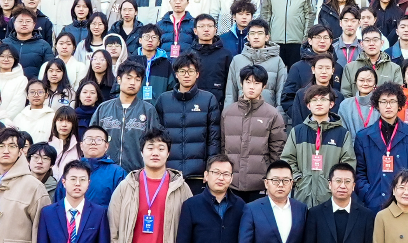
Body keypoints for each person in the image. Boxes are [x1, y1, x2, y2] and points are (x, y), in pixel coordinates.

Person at [153, 53, 223, 193]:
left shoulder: (208, 99)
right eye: (182, 71)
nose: (186, 75)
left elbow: (214, 140)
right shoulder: (163, 100)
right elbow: (157, 137)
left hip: (198, 175)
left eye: (191, 71)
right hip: (169, 172)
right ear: (176, 74)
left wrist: (210, 169)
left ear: (197, 74)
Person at [353, 84, 408, 209]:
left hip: (406, 202)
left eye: (392, 101)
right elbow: (359, 172)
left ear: (399, 104)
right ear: (377, 105)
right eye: (383, 101)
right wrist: (367, 194)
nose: (388, 106)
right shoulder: (363, 136)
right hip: (374, 203)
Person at [283, 84, 357, 208]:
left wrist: (333, 182)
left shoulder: (342, 133)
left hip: (330, 196)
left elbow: (348, 164)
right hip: (302, 194)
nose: (319, 103)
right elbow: (287, 159)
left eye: (323, 99)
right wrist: (299, 179)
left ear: (331, 104)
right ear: (308, 105)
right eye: (314, 100)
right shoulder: (297, 132)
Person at [221, 65, 287, 197]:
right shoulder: (228, 113)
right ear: (241, 83)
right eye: (248, 82)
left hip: (260, 185)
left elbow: (277, 151)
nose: (252, 87)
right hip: (231, 183)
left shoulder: (272, 115)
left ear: (264, 86)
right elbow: (222, 148)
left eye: (257, 83)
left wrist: (272, 180)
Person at [91, 63, 162, 172]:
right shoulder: (103, 108)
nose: (132, 82)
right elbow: (91, 138)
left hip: (137, 173)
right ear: (119, 79)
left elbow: (155, 142)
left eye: (137, 79)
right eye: (128, 78)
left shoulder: (148, 110)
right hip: (104, 171)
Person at [261, 0, 316, 66]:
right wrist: (267, 36)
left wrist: (305, 38)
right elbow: (265, 14)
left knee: (295, 72)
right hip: (275, 41)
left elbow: (310, 15)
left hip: (297, 41)